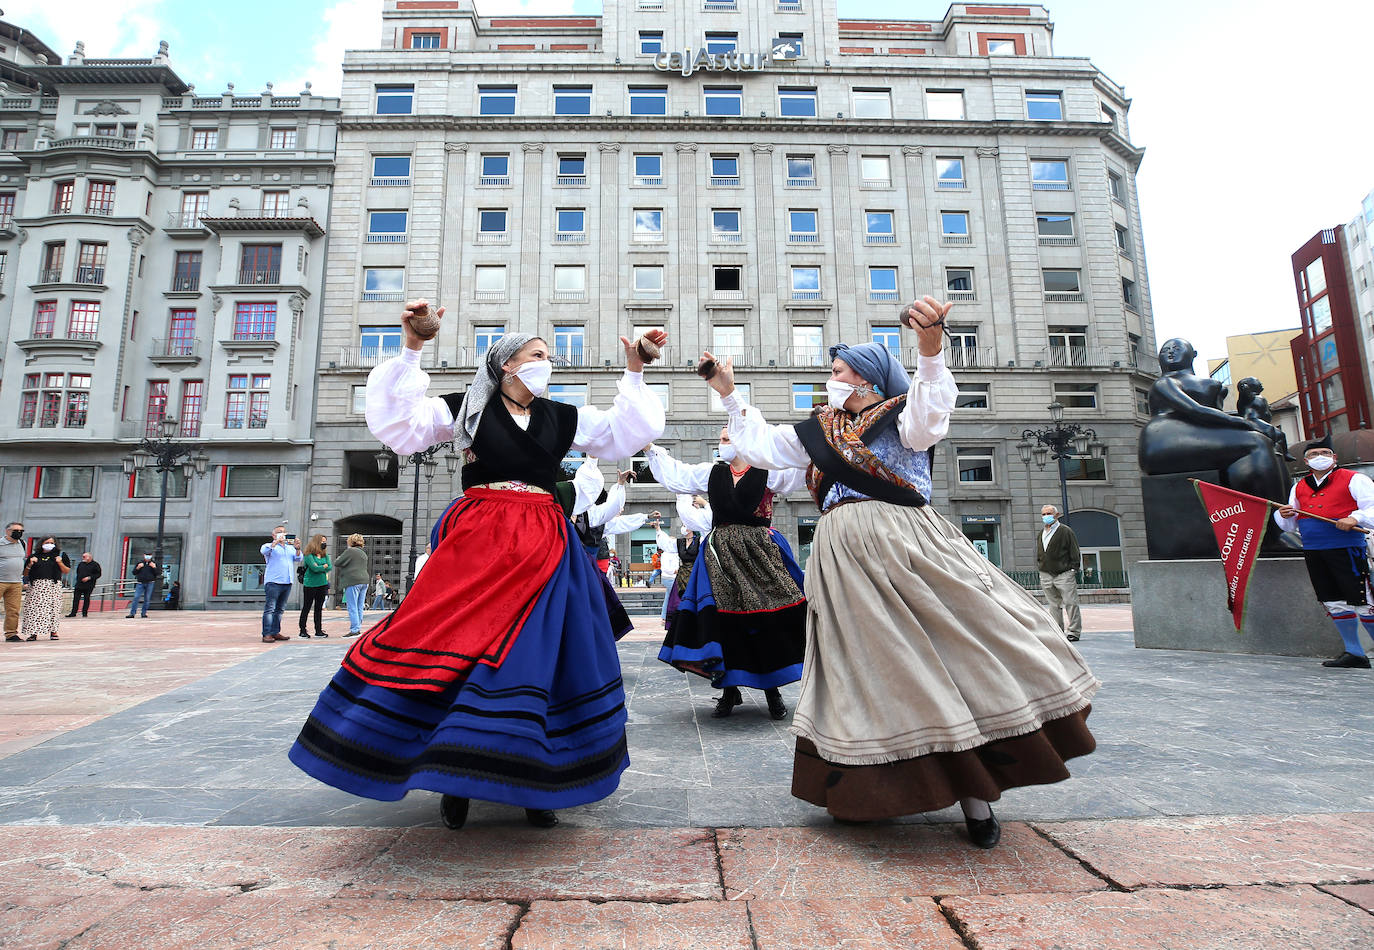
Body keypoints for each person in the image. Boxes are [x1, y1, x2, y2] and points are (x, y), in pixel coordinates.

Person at [710, 296, 1099, 849]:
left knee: (942, 653)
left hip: (903, 541)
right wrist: (729, 392)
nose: (831, 380)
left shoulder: (903, 414)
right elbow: (761, 444)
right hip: (841, 552)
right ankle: (873, 785)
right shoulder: (818, 430)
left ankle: (976, 796)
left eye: (839, 371)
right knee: (864, 666)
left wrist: (931, 348)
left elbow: (932, 410)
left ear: (866, 378)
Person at [290, 300, 666, 831]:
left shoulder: (561, 416)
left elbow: (624, 432)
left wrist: (636, 369)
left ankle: (538, 782)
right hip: (478, 540)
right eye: (538, 354)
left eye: (549, 355)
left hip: (543, 540)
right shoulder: (466, 407)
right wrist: (413, 346)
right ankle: (454, 777)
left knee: (540, 654)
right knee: (456, 643)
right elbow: (400, 422)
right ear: (508, 364)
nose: (548, 361)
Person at [646, 436, 807, 721]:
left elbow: (800, 467)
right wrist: (649, 447)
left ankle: (772, 690)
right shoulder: (713, 472)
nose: (723, 442)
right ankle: (729, 689)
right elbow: (677, 474)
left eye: (727, 437)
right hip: (720, 553)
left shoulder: (769, 470)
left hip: (759, 552)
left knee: (765, 618)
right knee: (723, 621)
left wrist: (814, 441)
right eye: (722, 438)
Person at [1274, 437, 1374, 669]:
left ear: (1334, 458)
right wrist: (1285, 514)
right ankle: (1355, 652)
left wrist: (1355, 517)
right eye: (1314, 454)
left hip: (1347, 549)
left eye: (1325, 452)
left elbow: (1372, 507)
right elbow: (1290, 525)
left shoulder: (1354, 478)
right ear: (1306, 460)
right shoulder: (1299, 486)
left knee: (1362, 600)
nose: (1320, 457)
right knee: (1332, 600)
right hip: (1314, 551)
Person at [1036, 505, 1082, 642]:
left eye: (1049, 513)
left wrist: (1074, 569)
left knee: (1070, 603)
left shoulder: (1065, 531)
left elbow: (1074, 551)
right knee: (1053, 605)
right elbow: (1040, 552)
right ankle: (1057, 630)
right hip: (1046, 574)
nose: (1046, 516)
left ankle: (1074, 631)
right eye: (1043, 514)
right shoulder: (1042, 533)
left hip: (1064, 573)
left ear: (1056, 515)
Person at [22, 536, 71, 640]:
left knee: (53, 608)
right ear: (41, 544)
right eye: (47, 542)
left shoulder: (60, 555)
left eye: (51, 542)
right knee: (35, 609)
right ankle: (33, 632)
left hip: (53, 585)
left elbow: (66, 571)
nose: (49, 544)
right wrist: (30, 564)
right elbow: (25, 573)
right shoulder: (34, 556)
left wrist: (60, 562)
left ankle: (53, 631)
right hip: (37, 585)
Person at [260, 526, 301, 643]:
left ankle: (275, 631)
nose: (282, 534)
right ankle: (267, 633)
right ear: (273, 535)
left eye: (283, 532)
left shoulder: (289, 548)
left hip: (287, 582)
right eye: (279, 532)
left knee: (280, 609)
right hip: (273, 582)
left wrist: (297, 548)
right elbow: (264, 551)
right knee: (270, 608)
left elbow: (298, 558)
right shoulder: (269, 546)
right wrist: (276, 542)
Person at [334, 534, 370, 638]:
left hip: (353, 581)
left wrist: (340, 557)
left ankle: (355, 630)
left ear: (351, 541)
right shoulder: (363, 553)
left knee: (352, 606)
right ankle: (358, 627)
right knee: (359, 606)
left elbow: (338, 562)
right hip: (364, 581)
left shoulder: (350, 551)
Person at [298, 534, 332, 639]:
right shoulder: (309, 555)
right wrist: (323, 567)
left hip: (322, 584)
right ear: (317, 542)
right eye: (322, 541)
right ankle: (302, 630)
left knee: (319, 608)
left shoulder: (325, 555)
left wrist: (321, 567)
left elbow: (329, 567)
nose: (324, 543)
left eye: (325, 541)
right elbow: (314, 568)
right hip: (310, 584)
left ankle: (318, 630)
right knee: (307, 607)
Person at [2, 522, 27, 641]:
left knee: (13, 610)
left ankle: (11, 633)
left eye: (21, 531)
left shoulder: (22, 543)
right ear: (7, 531)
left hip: (16, 582)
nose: (19, 533)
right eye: (16, 530)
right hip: (1, 581)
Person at [66, 553, 102, 618]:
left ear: (89, 557)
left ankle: (84, 613)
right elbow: (78, 572)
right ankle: (73, 612)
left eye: (84, 557)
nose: (83, 558)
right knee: (76, 599)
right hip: (79, 584)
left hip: (89, 585)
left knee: (86, 598)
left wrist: (89, 578)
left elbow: (98, 574)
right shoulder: (81, 564)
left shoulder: (95, 565)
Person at [126, 553, 158, 619]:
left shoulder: (153, 563)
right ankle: (132, 613)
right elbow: (134, 572)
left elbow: (158, 573)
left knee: (147, 599)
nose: (147, 557)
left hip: (150, 583)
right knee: (136, 597)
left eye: (149, 555)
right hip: (140, 583)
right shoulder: (140, 563)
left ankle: (144, 613)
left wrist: (154, 567)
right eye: (146, 555)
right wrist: (138, 567)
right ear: (144, 555)